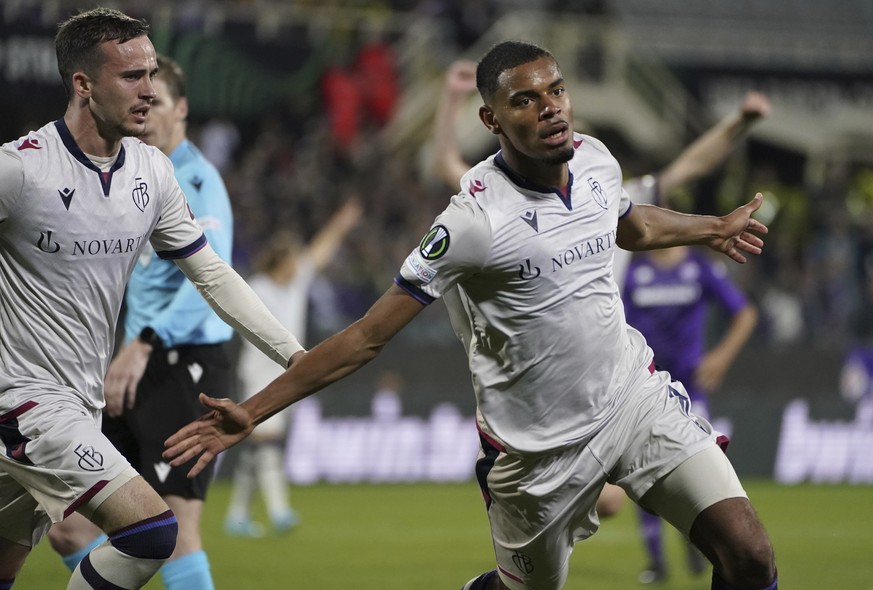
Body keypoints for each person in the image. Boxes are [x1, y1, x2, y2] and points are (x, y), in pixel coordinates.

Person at [164, 41, 778, 590]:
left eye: (557, 90)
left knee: (749, 558)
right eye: (526, 100)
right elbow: (366, 337)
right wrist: (252, 409)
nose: (551, 108)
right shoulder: (472, 223)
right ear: (491, 119)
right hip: (537, 452)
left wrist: (709, 228)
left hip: (633, 399)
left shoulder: (594, 159)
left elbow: (628, 222)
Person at [0, 8, 305, 589]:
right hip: (24, 405)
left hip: (80, 402)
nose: (150, 90)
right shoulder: (20, 170)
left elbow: (213, 276)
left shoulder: (152, 172)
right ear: (83, 85)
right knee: (151, 532)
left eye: (151, 75)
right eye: (133, 77)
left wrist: (295, 356)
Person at [428, 59, 772, 520]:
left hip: (614, 373)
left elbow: (689, 166)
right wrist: (452, 100)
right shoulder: (498, 199)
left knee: (657, 507)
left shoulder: (613, 191)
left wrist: (740, 123)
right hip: (539, 387)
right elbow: (445, 165)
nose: (557, 127)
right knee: (566, 539)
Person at [44, 53, 234, 590]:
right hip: (136, 367)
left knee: (175, 531)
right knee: (70, 526)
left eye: (160, 101)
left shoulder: (196, 180)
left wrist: (143, 342)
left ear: (182, 112)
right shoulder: (138, 179)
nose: (147, 112)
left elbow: (210, 284)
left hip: (184, 370)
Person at [224, 199, 362, 537]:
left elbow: (319, 252)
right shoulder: (257, 288)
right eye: (292, 260)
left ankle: (237, 515)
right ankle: (279, 511)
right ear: (280, 260)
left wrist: (341, 224)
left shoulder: (295, 282)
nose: (297, 266)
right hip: (258, 372)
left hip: (286, 372)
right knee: (267, 440)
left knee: (256, 446)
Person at [622, 245, 759, 583]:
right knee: (643, 474)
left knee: (696, 471)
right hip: (644, 389)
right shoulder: (631, 270)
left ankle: (696, 545)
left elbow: (745, 313)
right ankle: (656, 562)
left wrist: (721, 358)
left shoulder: (699, 268)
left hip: (689, 390)